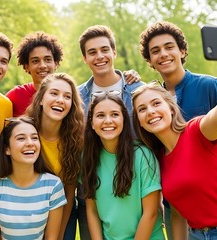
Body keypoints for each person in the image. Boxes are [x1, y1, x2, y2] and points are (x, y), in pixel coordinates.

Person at [131, 24, 217, 239]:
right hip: (194, 230)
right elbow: (177, 211)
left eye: (169, 47)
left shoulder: (198, 124)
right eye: (155, 51)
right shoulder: (158, 154)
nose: (163, 54)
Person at [77, 24, 144, 239]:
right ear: (84, 58)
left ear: (114, 52)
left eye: (105, 50)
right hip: (92, 191)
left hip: (134, 190)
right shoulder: (76, 97)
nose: (100, 56)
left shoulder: (138, 90)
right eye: (92, 52)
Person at [82, 92, 164, 239]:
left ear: (124, 120)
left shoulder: (142, 156)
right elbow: (92, 210)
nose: (108, 121)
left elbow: (151, 213)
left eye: (114, 114)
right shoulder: (87, 158)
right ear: (92, 123)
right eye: (100, 115)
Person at [7, 31, 141, 117]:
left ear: (56, 63)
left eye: (48, 59)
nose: (42, 65)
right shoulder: (77, 95)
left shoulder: (71, 97)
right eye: (35, 61)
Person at [0, 117, 67, 239]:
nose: (30, 143)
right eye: (21, 138)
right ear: (7, 149)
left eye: (34, 138)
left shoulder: (53, 185)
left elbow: (52, 237)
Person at [26, 73, 84, 239]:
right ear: (41, 99)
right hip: (24, 212)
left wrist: (58, 235)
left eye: (67, 97)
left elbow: (68, 194)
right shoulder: (22, 133)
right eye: (54, 93)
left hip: (61, 214)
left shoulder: (75, 141)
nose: (60, 100)